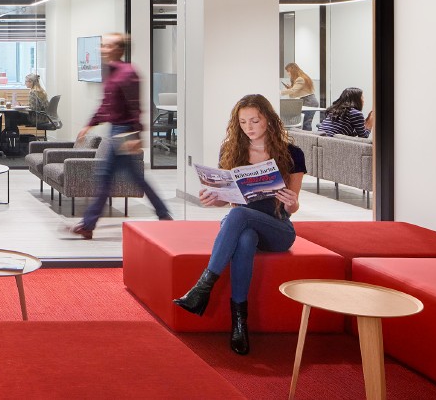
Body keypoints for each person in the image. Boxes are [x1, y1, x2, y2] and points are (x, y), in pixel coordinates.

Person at [173, 94, 305, 356]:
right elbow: (227, 202)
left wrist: (291, 201)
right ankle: (240, 324)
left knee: (239, 217)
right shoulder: (231, 150)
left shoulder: (292, 154)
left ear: (268, 119)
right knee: (243, 235)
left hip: (278, 229)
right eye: (243, 122)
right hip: (243, 225)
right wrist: (214, 197)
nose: (249, 127)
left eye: (255, 120)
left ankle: (202, 288)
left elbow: (294, 207)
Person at [69, 33, 172, 238]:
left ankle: (88, 225)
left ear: (118, 49)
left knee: (105, 177)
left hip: (124, 131)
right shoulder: (111, 72)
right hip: (115, 129)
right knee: (131, 177)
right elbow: (106, 105)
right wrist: (89, 125)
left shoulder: (128, 73)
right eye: (102, 46)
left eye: (106, 46)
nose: (102, 49)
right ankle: (164, 215)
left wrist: (136, 135)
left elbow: (136, 107)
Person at [280, 62, 319, 130]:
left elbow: (293, 91)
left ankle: (308, 139)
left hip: (308, 101)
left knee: (306, 123)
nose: (288, 74)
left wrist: (280, 92)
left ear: (292, 70)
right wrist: (290, 89)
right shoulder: (302, 77)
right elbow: (294, 93)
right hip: (308, 100)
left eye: (288, 71)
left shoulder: (300, 79)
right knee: (305, 122)